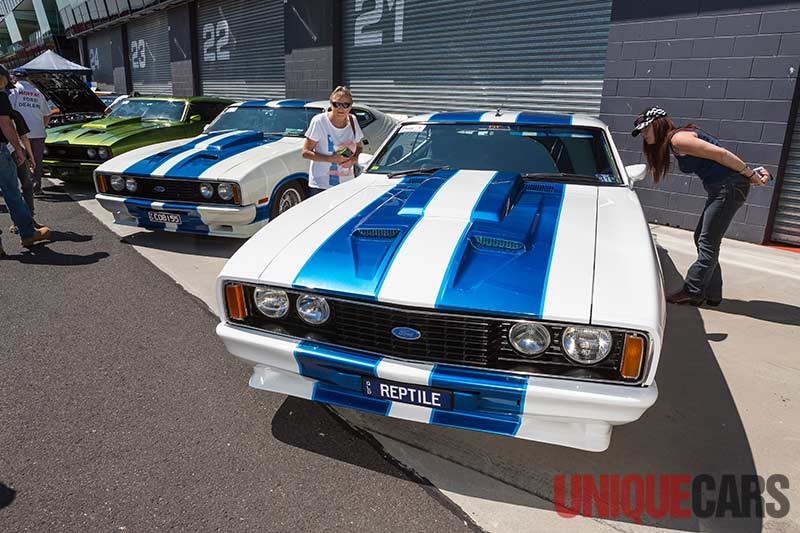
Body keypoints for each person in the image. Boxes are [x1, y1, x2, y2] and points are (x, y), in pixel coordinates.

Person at [633, 106, 770, 306]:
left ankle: (693, 290)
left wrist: (751, 176)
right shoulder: (675, 141)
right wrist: (749, 177)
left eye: (646, 129)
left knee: (707, 241)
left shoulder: (678, 139)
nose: (643, 134)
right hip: (724, 188)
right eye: (641, 131)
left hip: (727, 189)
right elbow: (721, 164)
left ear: (658, 124)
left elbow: (722, 155)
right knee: (703, 239)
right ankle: (712, 294)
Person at [0, 65, 50, 257]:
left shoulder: (11, 94)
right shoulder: (3, 96)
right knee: (13, 193)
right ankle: (28, 233)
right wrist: (19, 149)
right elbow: (6, 123)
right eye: (5, 81)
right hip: (5, 149)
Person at [302, 86, 364, 196]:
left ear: (350, 107)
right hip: (321, 186)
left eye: (346, 105)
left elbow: (359, 146)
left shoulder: (353, 121)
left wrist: (353, 159)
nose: (341, 108)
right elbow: (305, 152)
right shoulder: (319, 121)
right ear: (331, 104)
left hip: (347, 184)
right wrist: (331, 159)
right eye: (337, 104)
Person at [9, 69, 50, 195]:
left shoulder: (14, 91)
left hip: (21, 133)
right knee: (37, 160)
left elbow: (9, 113)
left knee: (22, 160)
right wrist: (41, 126)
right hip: (39, 133)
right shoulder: (38, 93)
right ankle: (37, 187)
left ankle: (27, 187)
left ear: (15, 78)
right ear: (27, 78)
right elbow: (47, 115)